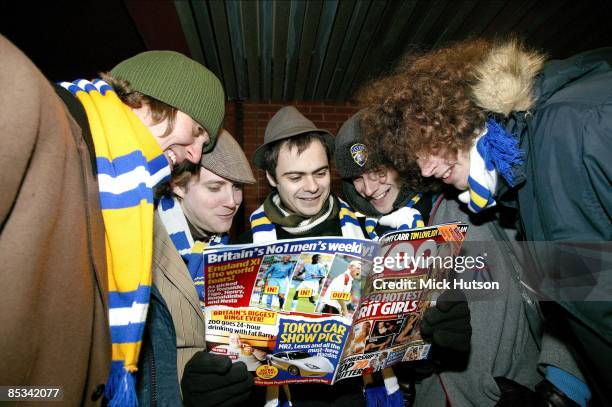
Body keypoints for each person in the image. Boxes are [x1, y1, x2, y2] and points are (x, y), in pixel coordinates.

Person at [352, 42, 597, 404]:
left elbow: (581, 283)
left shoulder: (491, 199)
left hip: (512, 391)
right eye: (412, 152)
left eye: (378, 170)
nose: (424, 165)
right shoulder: (404, 222)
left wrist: (561, 387)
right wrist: (415, 362)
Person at [0, 34, 225, 405]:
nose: (196, 155)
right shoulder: (38, 110)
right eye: (197, 131)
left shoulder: (120, 193)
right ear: (156, 98)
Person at [238, 105, 366, 406]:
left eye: (320, 173)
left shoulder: (362, 231)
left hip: (352, 394)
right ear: (271, 177)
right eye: (295, 177)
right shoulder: (248, 247)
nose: (311, 187)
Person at [142, 130, 256, 406]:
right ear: (177, 186)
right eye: (215, 188)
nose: (232, 201)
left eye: (237, 187)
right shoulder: (144, 244)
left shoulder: (225, 250)